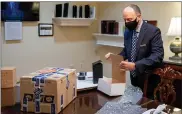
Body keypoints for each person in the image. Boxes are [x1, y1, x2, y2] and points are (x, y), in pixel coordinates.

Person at [105, 4, 164, 95]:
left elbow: (157, 56)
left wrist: (135, 65)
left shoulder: (153, 31)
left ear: (139, 17)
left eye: (129, 19)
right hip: (134, 78)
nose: (127, 22)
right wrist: (115, 57)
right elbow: (127, 50)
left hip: (149, 79)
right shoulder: (128, 31)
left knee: (147, 105)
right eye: (125, 19)